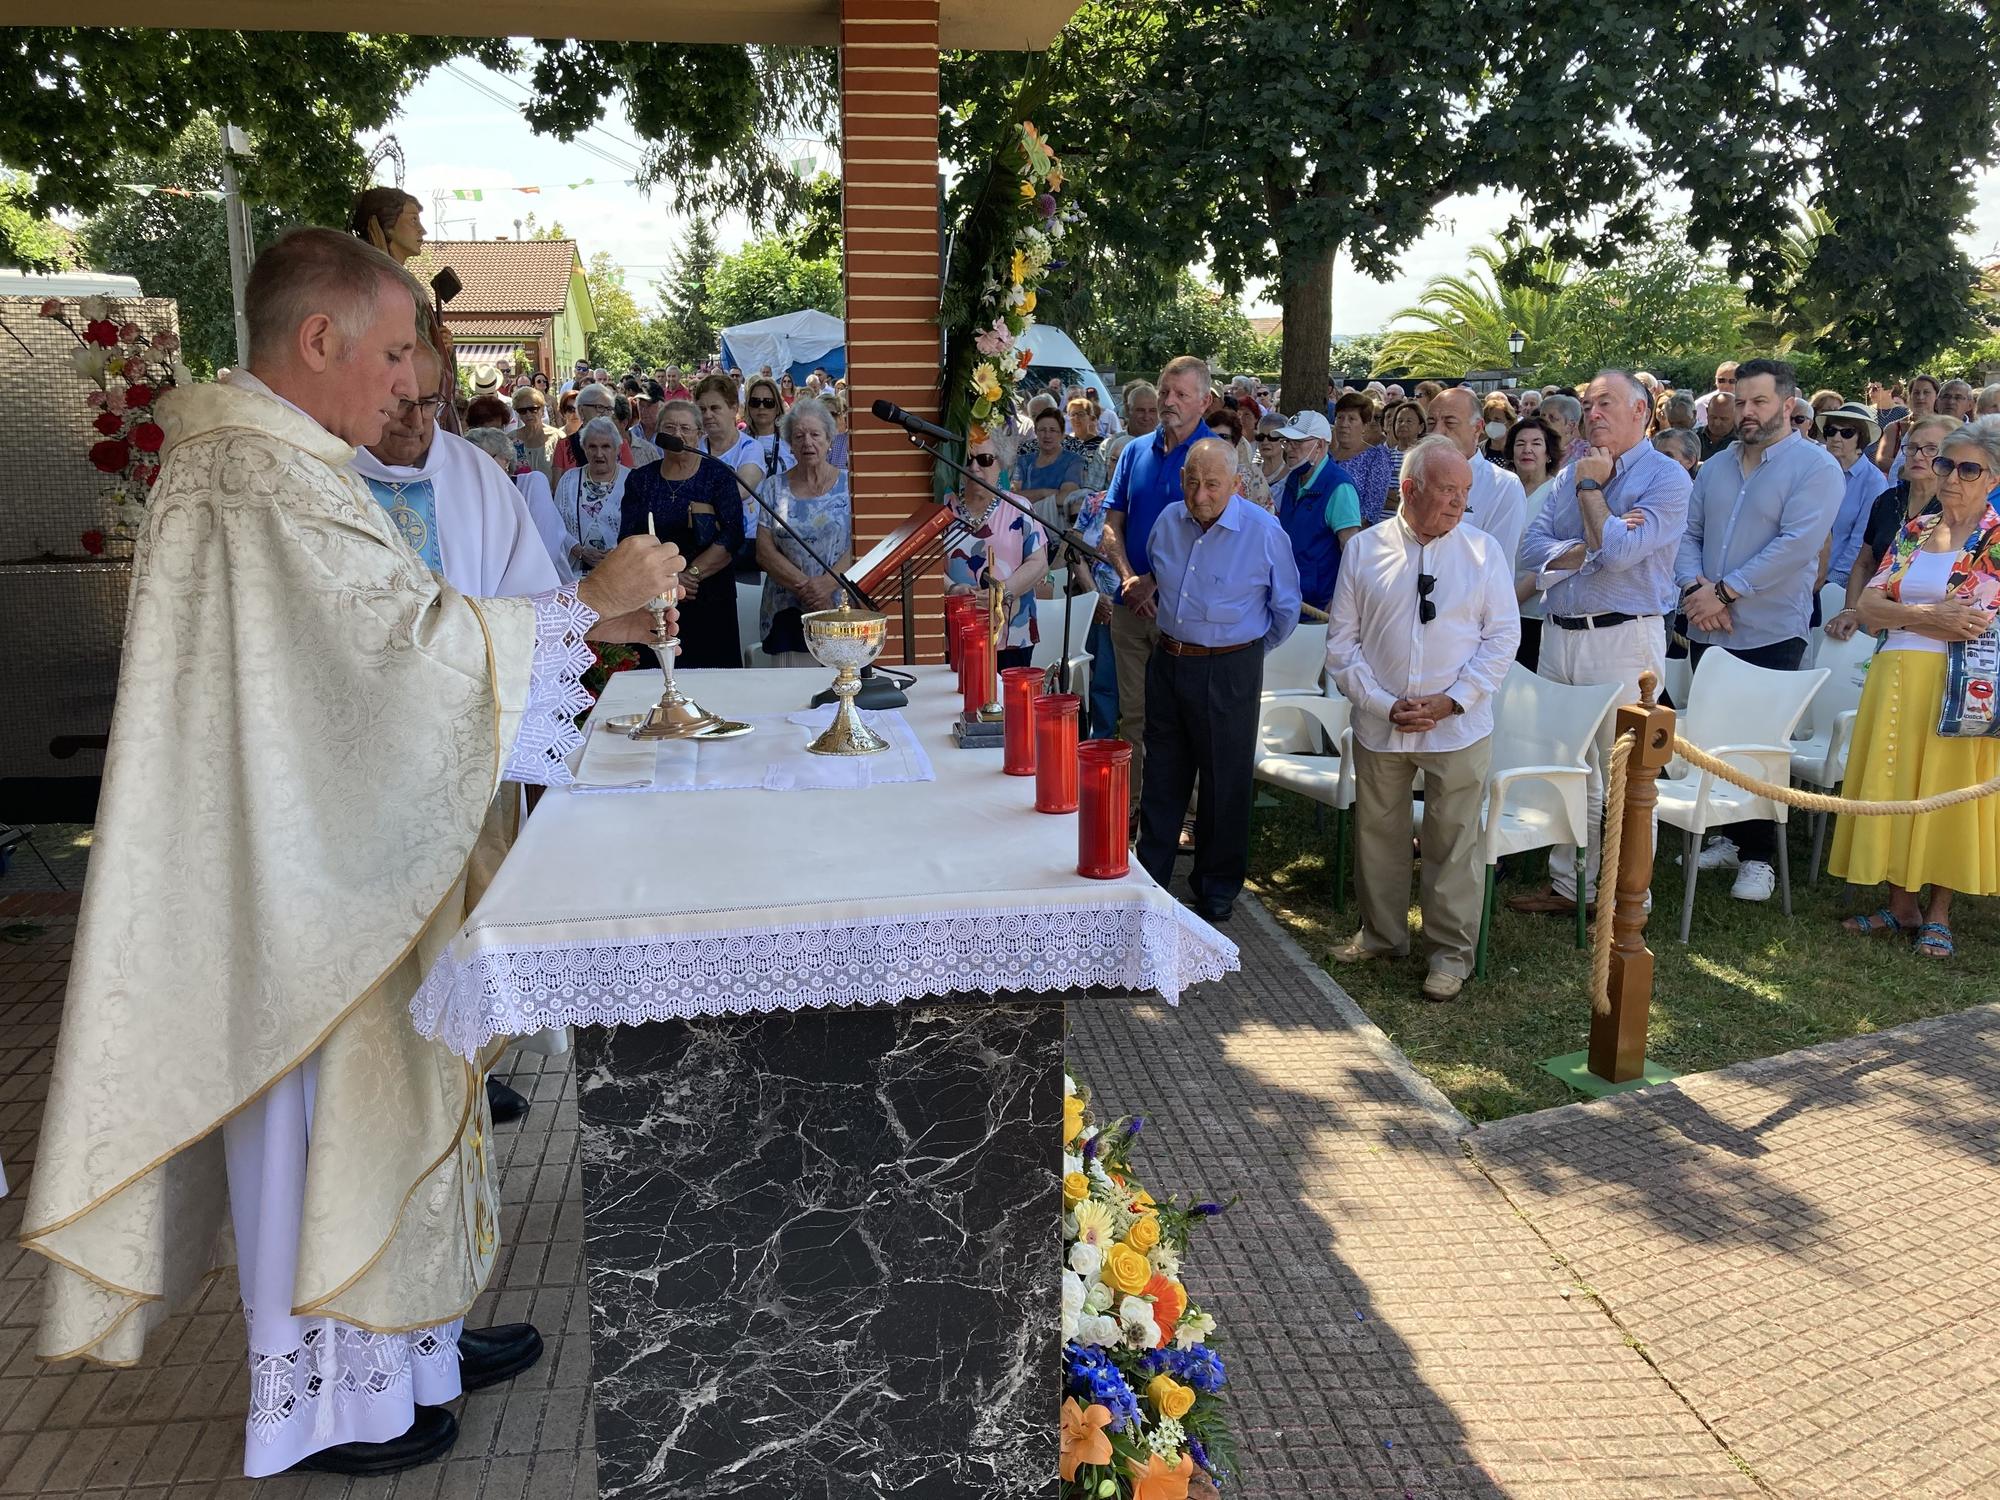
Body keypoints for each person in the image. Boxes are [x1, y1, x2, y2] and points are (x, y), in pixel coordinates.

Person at [20, 227, 682, 1481]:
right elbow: (392, 661)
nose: (407, 386)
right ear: (317, 340)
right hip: (298, 894)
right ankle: (328, 1406)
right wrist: (582, 604)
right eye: (390, 356)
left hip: (344, 853)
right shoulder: (250, 474)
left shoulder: (284, 462)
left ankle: (415, 1353)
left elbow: (387, 651)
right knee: (323, 1131)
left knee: (400, 1108)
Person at [1327, 436, 1520, 1001]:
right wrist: (1384, 704)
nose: (1459, 502)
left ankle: (1450, 954)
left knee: (1453, 840)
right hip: (1381, 724)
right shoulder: (1364, 551)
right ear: (1409, 490)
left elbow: (1502, 638)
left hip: (1457, 727)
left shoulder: (1484, 553)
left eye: (1465, 492)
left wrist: (1452, 699)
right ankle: (1383, 935)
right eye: (1447, 490)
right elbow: (1342, 645)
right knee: (1378, 834)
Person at [1506, 372, 1692, 919]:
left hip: (1623, 640)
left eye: (1605, 402)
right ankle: (1571, 886)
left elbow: (1625, 555)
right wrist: (1590, 540)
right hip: (1559, 634)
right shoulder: (1570, 473)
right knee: (1568, 764)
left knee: (1628, 775)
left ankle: (1629, 896)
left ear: (1642, 411)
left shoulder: (1666, 478)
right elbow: (1530, 547)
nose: (1594, 412)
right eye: (1588, 404)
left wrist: (1592, 493)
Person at [1830, 418, 2000, 958]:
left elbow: (1973, 622)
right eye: (1947, 464)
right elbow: (1869, 611)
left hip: (1960, 684)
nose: (1951, 477)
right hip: (1895, 677)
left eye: (1968, 468)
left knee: (1945, 792)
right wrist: (1927, 614)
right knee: (1895, 783)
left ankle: (1940, 911)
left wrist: (1900, 615)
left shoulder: (1995, 541)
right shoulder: (1914, 531)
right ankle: (1900, 903)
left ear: (1993, 478)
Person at [1675, 357, 1844, 900]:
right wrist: (1696, 592)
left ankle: (1759, 857)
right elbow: (1687, 534)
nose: (1746, 412)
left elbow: (1795, 546)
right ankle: (1726, 835)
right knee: (1714, 739)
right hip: (1709, 626)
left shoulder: (1815, 468)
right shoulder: (1718, 467)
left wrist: (1723, 592)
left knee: (1759, 746)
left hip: (1771, 629)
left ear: (1788, 406)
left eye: (1759, 402)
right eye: (1739, 401)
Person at [1135, 438, 1302, 922]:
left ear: (1237, 485)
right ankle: (1151, 879)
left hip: (1230, 666)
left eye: (1212, 485)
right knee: (1163, 774)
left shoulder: (1264, 531)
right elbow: (1160, 580)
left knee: (1224, 779)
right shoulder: (1168, 522)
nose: (1200, 494)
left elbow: (1286, 609)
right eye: (1192, 482)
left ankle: (1216, 889)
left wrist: (1243, 653)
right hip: (1167, 660)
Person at [1102, 356, 1218, 815]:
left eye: (1180, 395)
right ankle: (1131, 810)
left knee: (1185, 719)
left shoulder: (1215, 457)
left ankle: (1187, 814)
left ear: (1204, 401)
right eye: (1164, 391)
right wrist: (1130, 578)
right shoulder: (1133, 452)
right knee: (1134, 714)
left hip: (1184, 615)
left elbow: (1215, 537)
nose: (1167, 402)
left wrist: (1155, 581)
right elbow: (1111, 525)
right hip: (1131, 608)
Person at [621, 401, 745, 670]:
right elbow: (628, 540)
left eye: (685, 428)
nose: (677, 433)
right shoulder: (640, 480)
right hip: (655, 601)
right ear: (658, 434)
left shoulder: (719, 475)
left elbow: (733, 534)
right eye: (670, 427)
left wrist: (692, 574)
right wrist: (672, 580)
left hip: (709, 597)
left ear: (699, 434)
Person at [1825, 412, 1957, 641]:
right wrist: (1851, 610)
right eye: (1913, 447)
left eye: (1930, 449)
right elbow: (1864, 563)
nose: (1919, 456)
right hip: (1875, 619)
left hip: (1928, 630)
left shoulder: (1957, 510)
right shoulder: (1887, 501)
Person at [756, 396, 853, 665]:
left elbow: (859, 545)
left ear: (829, 439)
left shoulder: (850, 485)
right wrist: (808, 589)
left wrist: (827, 585)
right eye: (798, 436)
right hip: (787, 611)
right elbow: (764, 551)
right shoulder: (773, 487)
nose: (807, 442)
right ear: (790, 443)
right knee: (789, 695)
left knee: (841, 688)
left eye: (814, 434)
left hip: (839, 608)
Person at [944, 430, 1048, 669]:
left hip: (1011, 630)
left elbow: (1038, 563)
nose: (974, 468)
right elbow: (925, 566)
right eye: (967, 459)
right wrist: (954, 588)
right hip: (957, 630)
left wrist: (1001, 593)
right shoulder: (944, 510)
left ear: (1001, 463)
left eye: (985, 460)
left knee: (1007, 703)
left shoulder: (1019, 508)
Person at [1428, 385, 1528, 569]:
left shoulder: (1504, 486)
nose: (1436, 432)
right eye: (1431, 423)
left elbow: (1496, 566)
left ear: (1477, 428)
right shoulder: (1419, 478)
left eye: (1449, 423)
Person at [1074, 433, 1132, 740]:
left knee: (1141, 687)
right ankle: (1102, 747)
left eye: (1126, 461)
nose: (1119, 467)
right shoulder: (1094, 503)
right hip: (1100, 606)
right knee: (1105, 682)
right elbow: (1075, 552)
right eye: (1114, 460)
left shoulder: (1145, 506)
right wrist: (1094, 595)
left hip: (1137, 606)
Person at [1274, 410, 1362, 613]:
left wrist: (1340, 599)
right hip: (1289, 600)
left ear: (1320, 445)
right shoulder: (1293, 479)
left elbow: (1352, 551)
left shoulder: (1339, 487)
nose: (1290, 448)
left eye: (1298, 442)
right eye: (1287, 441)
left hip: (1319, 606)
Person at [1504, 413, 1563, 668]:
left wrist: (1510, 600)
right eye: (1520, 443)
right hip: (1497, 611)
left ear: (1548, 453)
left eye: (1536, 443)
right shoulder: (1504, 490)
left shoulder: (1558, 494)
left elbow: (1554, 558)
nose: (1527, 450)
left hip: (1535, 613)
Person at [1818, 401, 1890, 593]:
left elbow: (1860, 542)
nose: (1836, 437)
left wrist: (1830, 583)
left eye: (1847, 432)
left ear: (1862, 438)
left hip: (1838, 585)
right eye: (1831, 431)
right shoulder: (1815, 470)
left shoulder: (1873, 481)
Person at [553, 417, 632, 575]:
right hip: (575, 575)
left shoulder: (632, 480)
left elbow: (641, 530)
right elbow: (555, 524)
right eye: (592, 447)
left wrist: (617, 555)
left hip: (621, 574)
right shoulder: (569, 480)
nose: (599, 453)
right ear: (584, 448)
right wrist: (578, 550)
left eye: (606, 446)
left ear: (617, 449)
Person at [1331, 390, 1397, 525]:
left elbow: (1371, 511)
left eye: (1352, 419)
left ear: (1364, 425)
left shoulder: (1376, 457)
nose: (1344, 424)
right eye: (1340, 417)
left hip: (1354, 537)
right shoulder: (1325, 456)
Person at [1016, 406, 1088, 526]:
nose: (1047, 435)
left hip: (1055, 527)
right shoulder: (1023, 461)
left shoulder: (1074, 461)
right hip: (1021, 522)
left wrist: (1031, 495)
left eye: (1052, 430)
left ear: (1061, 434)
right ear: (1036, 432)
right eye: (1042, 430)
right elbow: (1013, 497)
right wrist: (1046, 493)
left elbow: (1065, 497)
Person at [554, 384, 634, 474]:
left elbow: (630, 482)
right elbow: (558, 485)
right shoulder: (564, 446)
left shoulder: (620, 445)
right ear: (581, 410)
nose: (605, 413)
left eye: (609, 409)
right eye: (599, 407)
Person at [1206, 405, 1272, 510]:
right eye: (1212, 436)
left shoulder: (1252, 475)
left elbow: (1267, 512)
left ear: (1235, 441)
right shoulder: (1198, 472)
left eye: (1223, 437)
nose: (1217, 441)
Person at [513, 387, 556, 487]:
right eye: (522, 411)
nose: (528, 414)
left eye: (533, 409)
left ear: (542, 409)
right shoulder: (509, 439)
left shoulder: (557, 438)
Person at [1539, 392, 1586, 466]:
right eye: (1542, 417)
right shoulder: (1536, 447)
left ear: (1570, 426)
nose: (1544, 421)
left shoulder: (1584, 454)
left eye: (1552, 418)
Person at [1693, 361, 1739, 429]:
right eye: (1721, 380)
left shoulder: (1747, 404)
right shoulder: (1700, 404)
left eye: (1732, 381)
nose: (1726, 385)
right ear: (1715, 380)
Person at [1698, 392, 1739, 461]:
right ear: (1707, 411)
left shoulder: (1742, 443)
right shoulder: (1695, 437)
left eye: (1723, 419)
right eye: (1713, 417)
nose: (1717, 423)